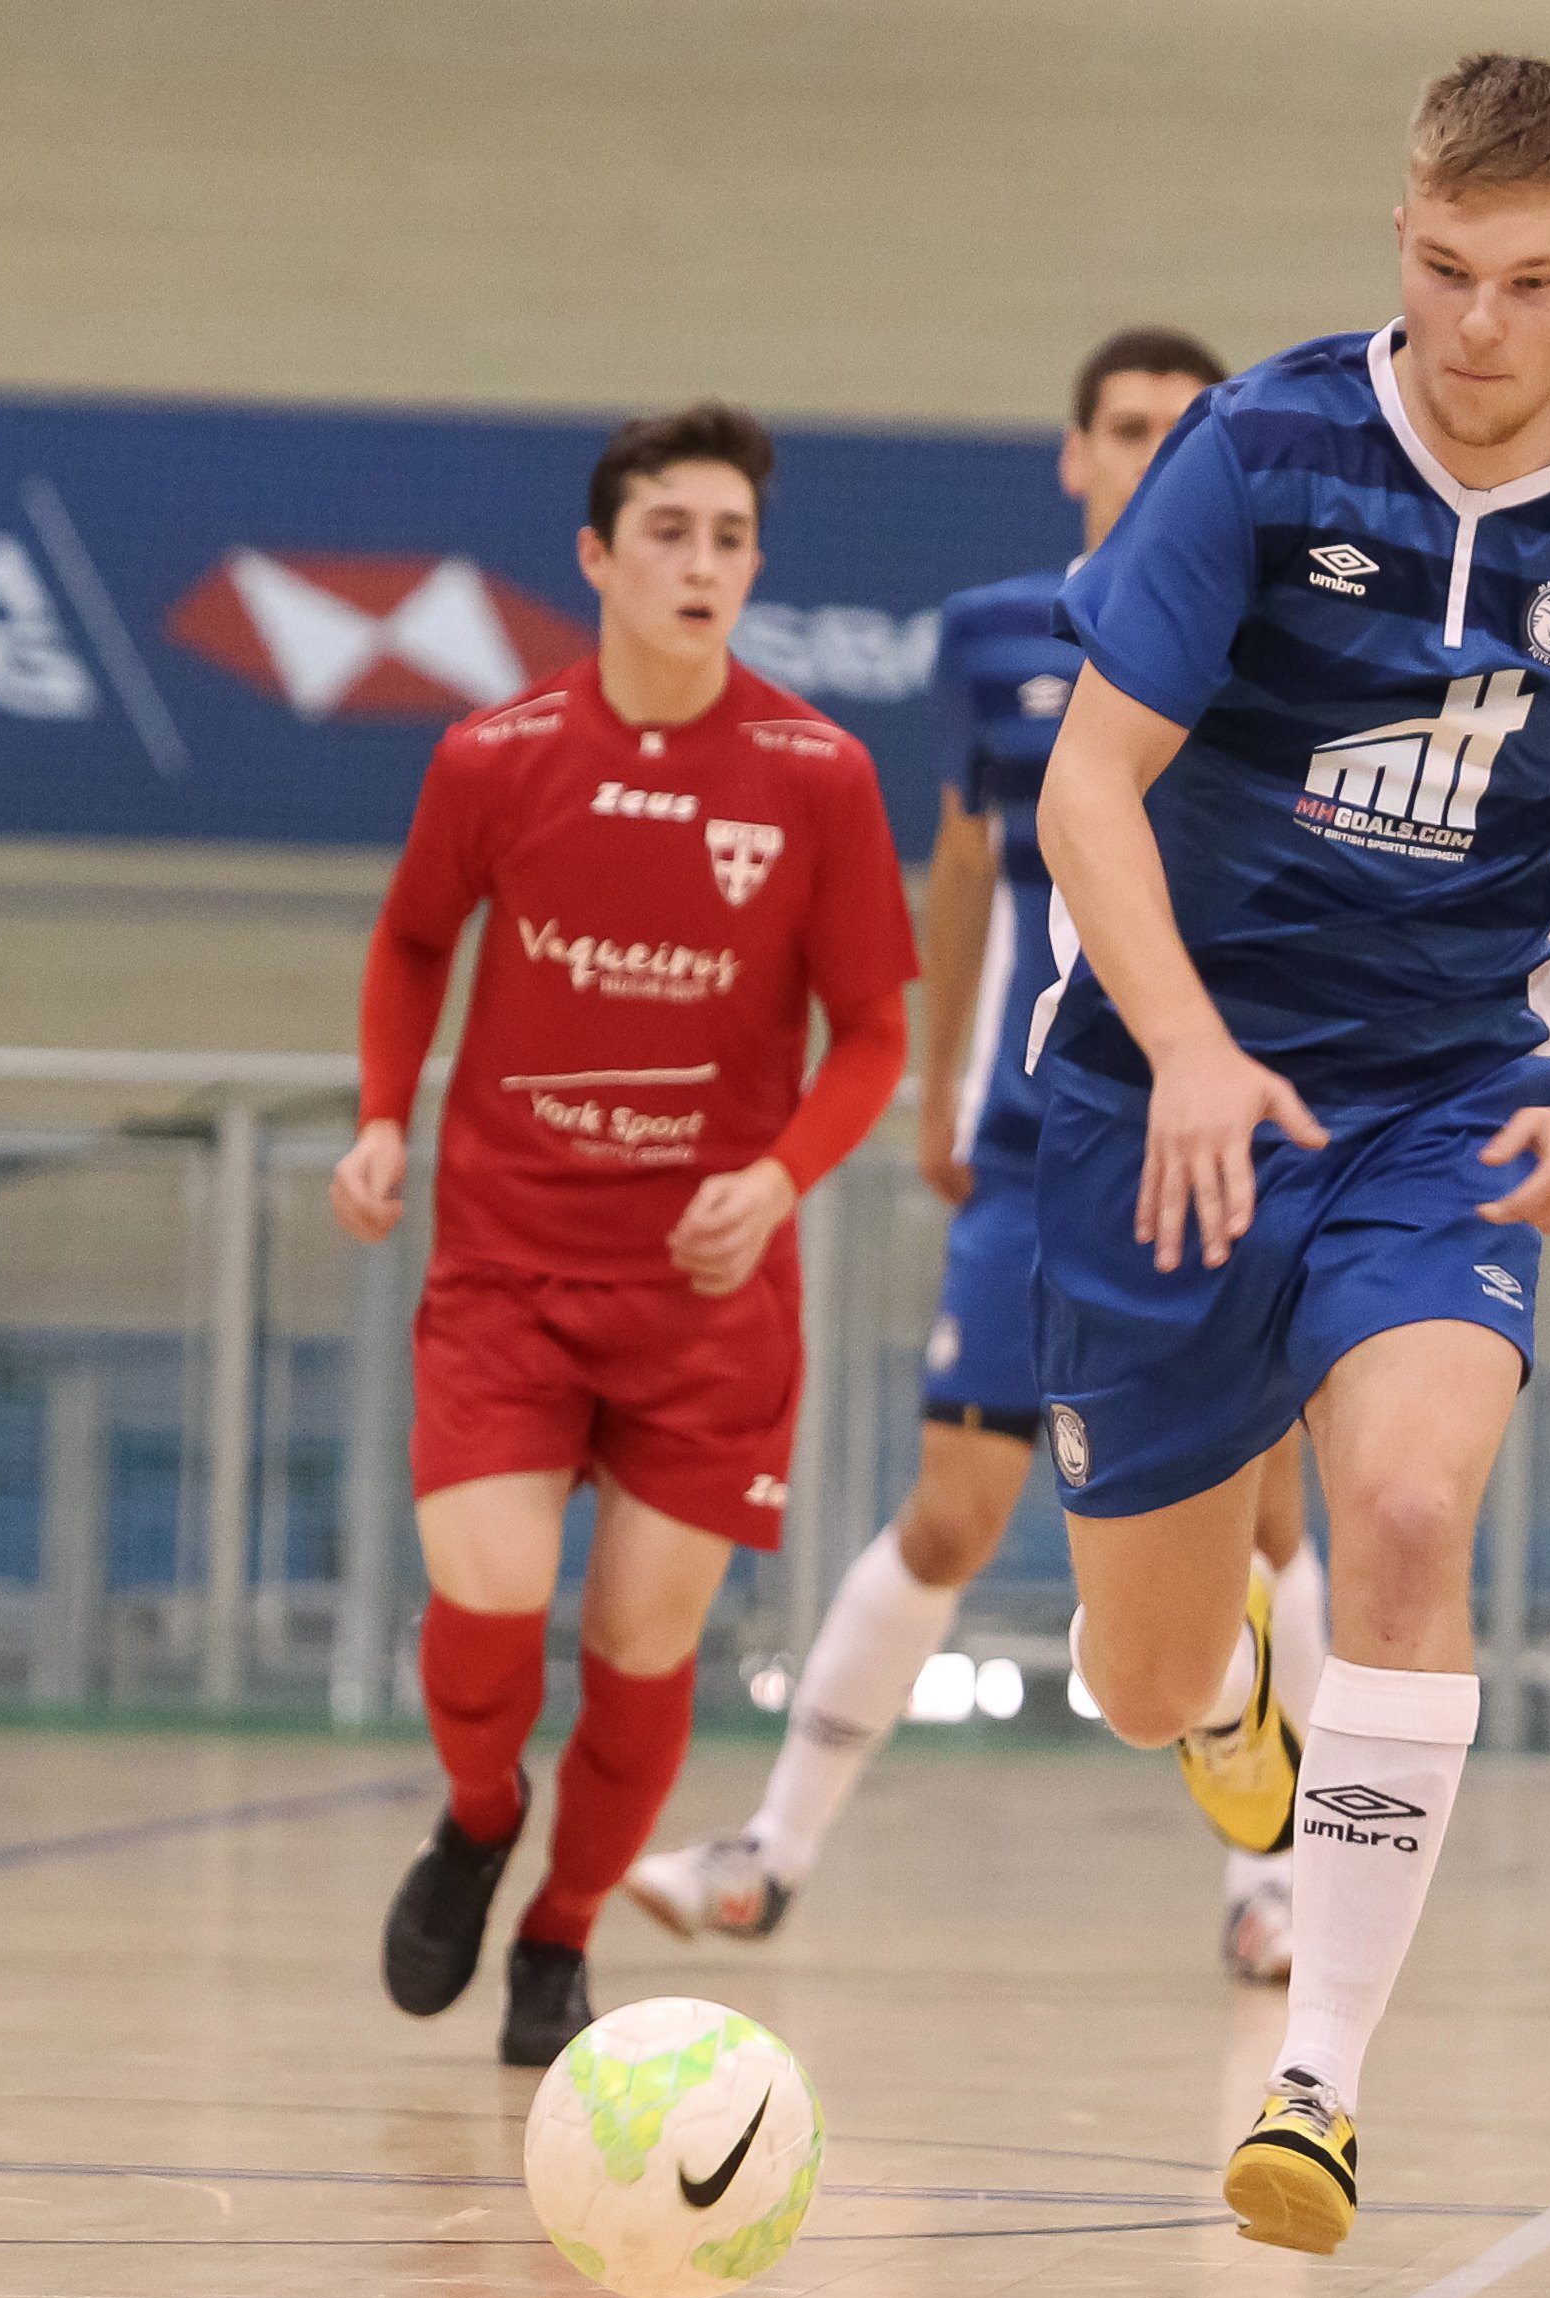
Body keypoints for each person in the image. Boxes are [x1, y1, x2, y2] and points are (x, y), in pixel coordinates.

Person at [1030, 52, 1550, 2253]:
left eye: (1525, 283)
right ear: (1396, 238)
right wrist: (1193, 1047)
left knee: (1404, 1506)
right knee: (1138, 1680)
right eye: (1437, 267)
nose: (1476, 325)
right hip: (1164, 1095)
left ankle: (1317, 2082)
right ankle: (1231, 1699)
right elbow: (1086, 790)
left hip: (1442, 1104)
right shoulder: (1263, 443)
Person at [621, 332, 1335, 1983]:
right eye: (1129, 428)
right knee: (953, 1510)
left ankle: (1276, 1876)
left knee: (1271, 1520)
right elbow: (961, 863)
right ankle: (774, 1850)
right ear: (1074, 454)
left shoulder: (1286, 634)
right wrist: (937, 1086)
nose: (1159, 452)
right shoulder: (996, 637)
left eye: (1188, 431)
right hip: (1037, 1137)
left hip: (1237, 1134)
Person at [332, 402, 916, 2068]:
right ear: (598, 556)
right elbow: (408, 946)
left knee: (644, 1647)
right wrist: (384, 1116)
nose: (704, 565)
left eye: (731, 538)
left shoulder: (816, 775)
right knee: (490, 1600)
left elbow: (871, 1036)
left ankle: (559, 1936)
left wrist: (780, 1174)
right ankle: (475, 1808)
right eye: (671, 532)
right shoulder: (498, 755)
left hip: (707, 1303)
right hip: (509, 1267)